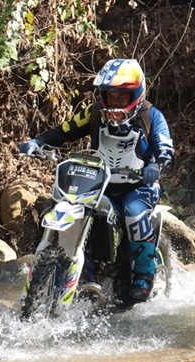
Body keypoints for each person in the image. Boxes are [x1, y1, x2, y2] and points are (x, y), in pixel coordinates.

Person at [19, 59, 174, 303]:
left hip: (139, 187)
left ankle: (144, 275)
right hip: (98, 185)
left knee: (133, 213)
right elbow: (63, 131)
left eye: (121, 97)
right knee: (68, 203)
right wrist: (37, 142)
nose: (114, 103)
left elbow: (165, 148)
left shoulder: (151, 116)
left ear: (135, 95)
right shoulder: (94, 114)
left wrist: (156, 165)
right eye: (110, 96)